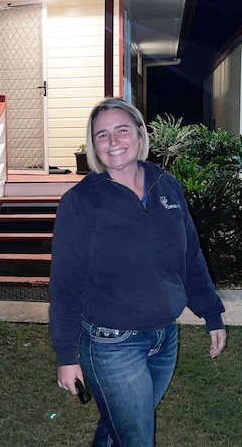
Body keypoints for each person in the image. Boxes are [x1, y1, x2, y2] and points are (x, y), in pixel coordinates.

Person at [49, 98, 227, 446]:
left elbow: (190, 256)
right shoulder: (81, 202)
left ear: (141, 134)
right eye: (102, 135)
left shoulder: (167, 186)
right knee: (137, 438)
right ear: (93, 144)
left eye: (121, 130)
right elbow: (65, 285)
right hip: (111, 344)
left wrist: (211, 313)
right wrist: (66, 355)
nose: (113, 142)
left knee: (118, 428)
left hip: (164, 338)